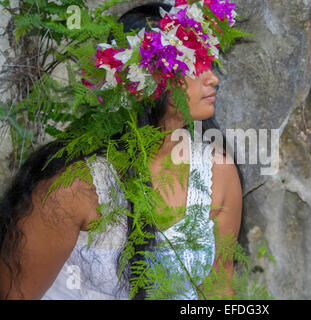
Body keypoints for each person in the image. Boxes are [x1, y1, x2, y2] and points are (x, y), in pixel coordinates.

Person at [0, 2, 244, 300]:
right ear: (147, 80)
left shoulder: (219, 173)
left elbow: (220, 289)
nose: (212, 78)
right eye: (194, 65)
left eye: (209, 62)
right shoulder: (76, 187)